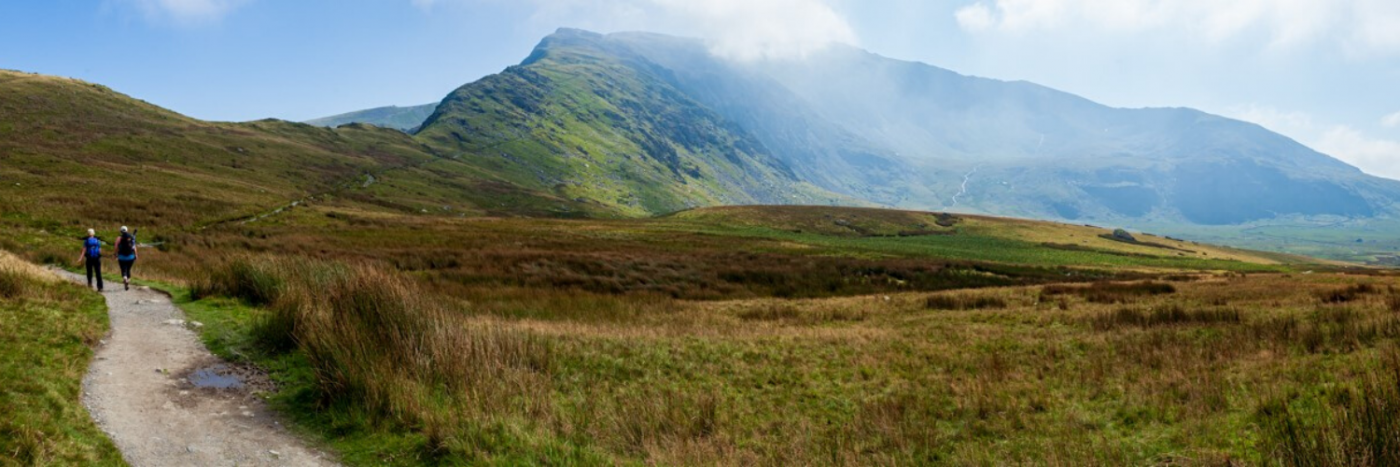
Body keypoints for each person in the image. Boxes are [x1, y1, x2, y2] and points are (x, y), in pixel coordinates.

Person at [115, 226, 137, 291]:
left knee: (123, 269)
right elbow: (134, 247)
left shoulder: (119, 238)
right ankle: (128, 280)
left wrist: (115, 254)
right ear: (127, 230)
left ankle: (125, 278)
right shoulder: (131, 237)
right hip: (131, 257)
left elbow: (116, 246)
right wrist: (136, 255)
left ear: (120, 231)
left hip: (121, 257)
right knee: (128, 269)